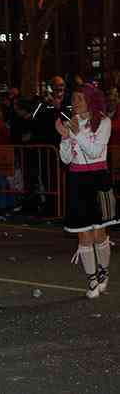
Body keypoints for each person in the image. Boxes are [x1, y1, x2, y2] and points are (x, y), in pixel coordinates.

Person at [56, 84, 117, 299]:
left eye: (80, 99)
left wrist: (75, 132)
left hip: (99, 179)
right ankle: (91, 278)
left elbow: (94, 151)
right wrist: (65, 137)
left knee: (100, 233)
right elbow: (65, 159)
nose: (75, 103)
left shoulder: (104, 122)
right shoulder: (71, 122)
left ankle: (103, 271)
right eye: (73, 99)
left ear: (91, 101)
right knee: (83, 233)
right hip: (77, 180)